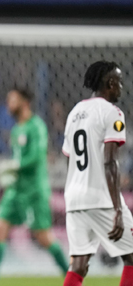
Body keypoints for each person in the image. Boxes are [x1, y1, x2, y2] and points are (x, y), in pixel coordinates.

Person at [0, 88, 68, 286]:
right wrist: (12, 172)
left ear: (25, 102)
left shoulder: (36, 126)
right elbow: (20, 158)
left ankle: (71, 278)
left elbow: (38, 155)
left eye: (12, 100)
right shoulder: (16, 130)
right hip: (16, 190)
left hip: (34, 191)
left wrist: (15, 166)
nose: (8, 104)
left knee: (43, 237)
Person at [62, 61, 133, 286]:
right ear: (110, 83)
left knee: (79, 265)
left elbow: (69, 158)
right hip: (101, 197)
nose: (122, 87)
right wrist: (117, 210)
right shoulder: (112, 113)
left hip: (74, 197)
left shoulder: (74, 113)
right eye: (119, 82)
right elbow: (110, 162)